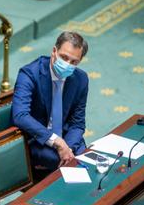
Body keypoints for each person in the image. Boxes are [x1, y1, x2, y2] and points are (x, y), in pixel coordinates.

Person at [12, 31, 88, 172]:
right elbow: (20, 115)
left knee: (86, 159)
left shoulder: (81, 79)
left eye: (74, 62)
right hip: (38, 139)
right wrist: (57, 142)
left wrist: (68, 148)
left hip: (67, 139)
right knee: (67, 165)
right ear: (54, 51)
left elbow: (78, 123)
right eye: (64, 57)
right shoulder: (30, 74)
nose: (67, 64)